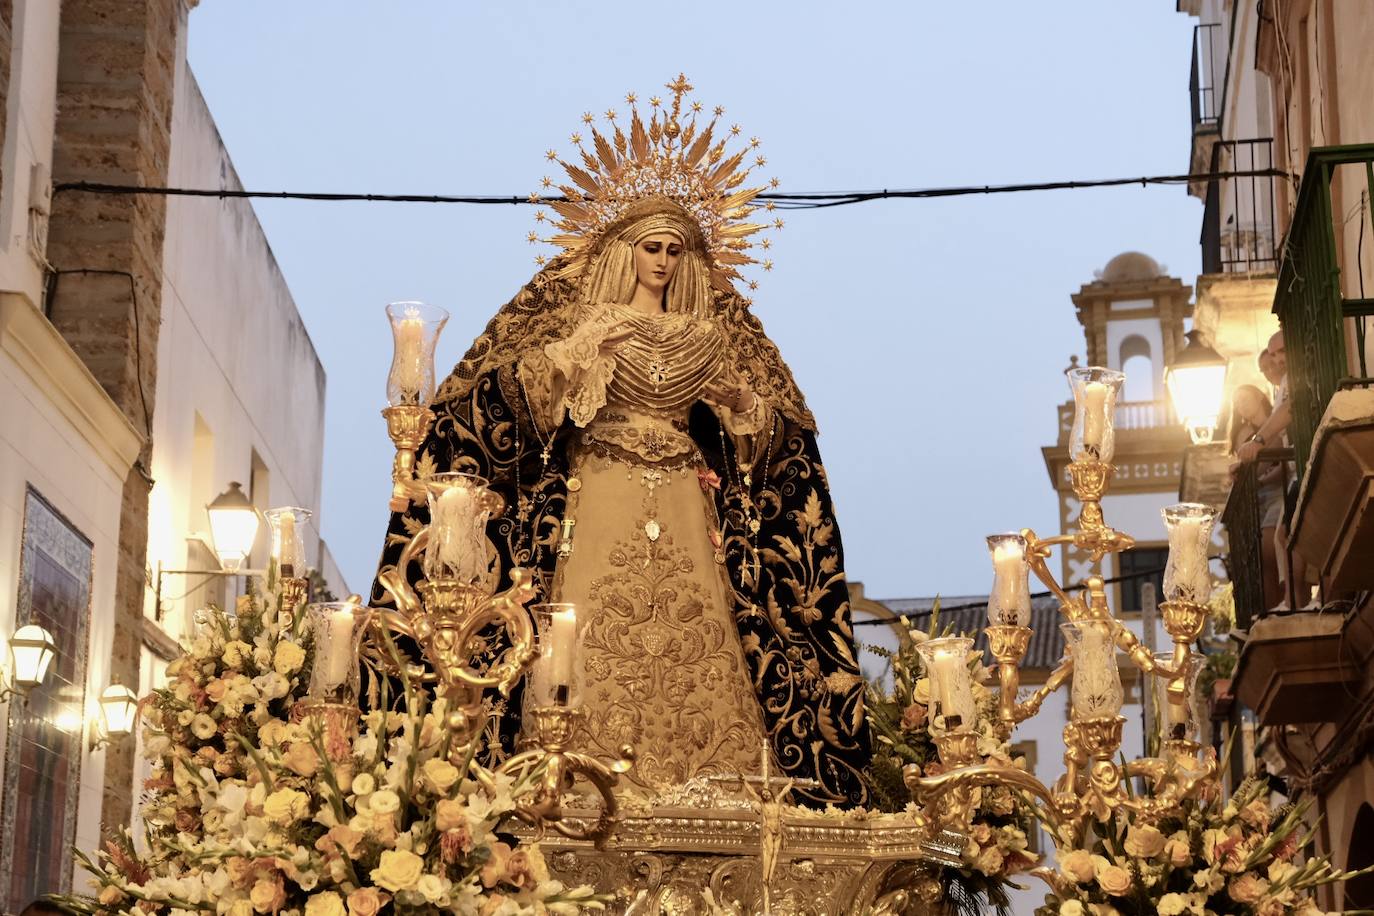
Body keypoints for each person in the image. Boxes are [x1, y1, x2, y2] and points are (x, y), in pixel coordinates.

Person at [371, 78, 870, 806]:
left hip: (683, 491)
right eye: (650, 247)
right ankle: (568, 771)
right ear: (623, 250)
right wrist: (570, 359)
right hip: (598, 484)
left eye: (675, 249)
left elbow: (766, 432)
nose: (663, 262)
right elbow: (524, 400)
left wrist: (740, 407)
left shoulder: (708, 335)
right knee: (589, 619)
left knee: (702, 629)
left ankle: (713, 783)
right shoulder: (592, 325)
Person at [1230, 383, 1282, 608]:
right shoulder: (1241, 433)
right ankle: (1273, 610)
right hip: (1256, 499)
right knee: (1262, 561)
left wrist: (1262, 478)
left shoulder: (1276, 425)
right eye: (1236, 402)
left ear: (1259, 395)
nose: (1241, 404)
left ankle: (1287, 602)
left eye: (1244, 397)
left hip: (1277, 492)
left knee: (1271, 548)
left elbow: (1281, 459)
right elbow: (1246, 467)